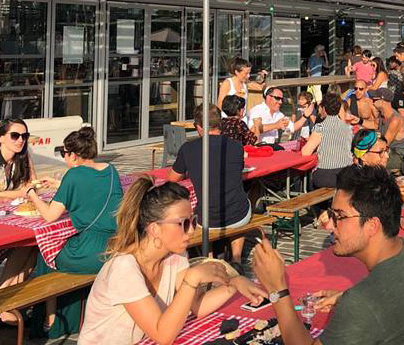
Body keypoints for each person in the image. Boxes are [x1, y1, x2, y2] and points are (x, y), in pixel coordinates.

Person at [253, 164, 404, 345]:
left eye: (339, 216)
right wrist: (348, 297)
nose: (330, 225)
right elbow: (395, 297)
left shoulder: (362, 303)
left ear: (373, 225)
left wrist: (277, 289)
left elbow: (374, 301)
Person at [78, 177, 265, 345]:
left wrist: (234, 284)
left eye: (192, 221)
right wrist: (192, 279)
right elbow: (163, 335)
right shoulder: (124, 267)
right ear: (154, 229)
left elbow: (197, 305)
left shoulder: (175, 256)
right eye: (183, 223)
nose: (191, 231)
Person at [26, 127, 123, 337]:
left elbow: (50, 215)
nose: (64, 158)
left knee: (45, 253)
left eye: (64, 154)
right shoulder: (111, 170)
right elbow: (92, 188)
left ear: (74, 155)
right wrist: (59, 184)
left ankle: (51, 322)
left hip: (88, 251)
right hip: (113, 247)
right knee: (51, 251)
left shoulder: (74, 175)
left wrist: (32, 194)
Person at [168, 105, 251, 269]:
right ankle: (236, 259)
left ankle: (210, 260)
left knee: (203, 210)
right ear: (219, 124)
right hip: (238, 216)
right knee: (244, 201)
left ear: (199, 126)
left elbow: (172, 178)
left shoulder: (188, 149)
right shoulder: (236, 147)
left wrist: (190, 169)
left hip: (208, 219)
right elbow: (239, 169)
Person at [0, 119, 38, 323]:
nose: (21, 140)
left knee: (32, 246)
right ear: (1, 138)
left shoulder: (23, 158)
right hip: (4, 225)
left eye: (25, 136)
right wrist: (17, 193)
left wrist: (31, 189)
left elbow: (33, 184)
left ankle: (5, 301)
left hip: (13, 220)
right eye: (15, 136)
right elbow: (22, 191)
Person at [301, 92, 354, 188]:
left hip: (327, 175)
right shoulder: (348, 127)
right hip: (347, 172)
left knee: (311, 179)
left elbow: (305, 152)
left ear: (324, 108)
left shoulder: (320, 127)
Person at [372, 88, 404, 174]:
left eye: (374, 99)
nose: (372, 101)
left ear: (382, 101)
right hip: (388, 153)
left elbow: (384, 144)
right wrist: (359, 120)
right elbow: (373, 125)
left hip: (398, 157)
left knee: (369, 163)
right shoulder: (382, 116)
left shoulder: (395, 120)